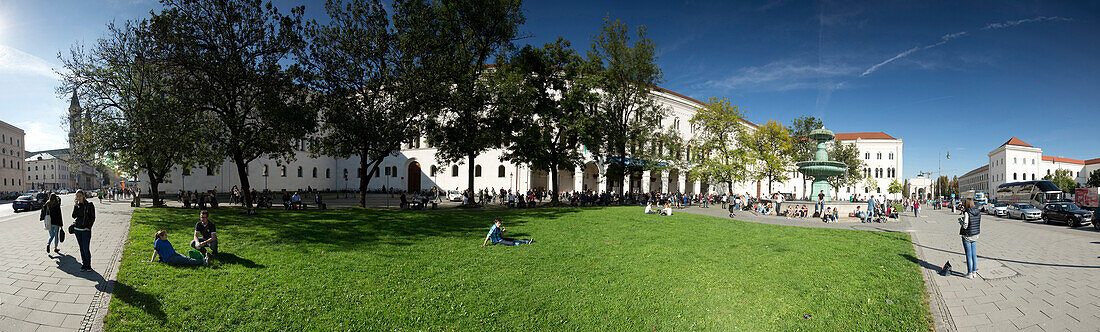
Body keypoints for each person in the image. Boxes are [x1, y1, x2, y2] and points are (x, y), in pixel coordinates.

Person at [71, 190, 96, 272]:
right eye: (77, 196)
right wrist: (75, 206)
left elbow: (92, 217)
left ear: (83, 196)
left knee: (86, 248)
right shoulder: (77, 206)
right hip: (77, 230)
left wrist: (89, 227)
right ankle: (84, 264)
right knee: (81, 248)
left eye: (80, 196)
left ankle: (88, 265)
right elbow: (74, 216)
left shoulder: (89, 205)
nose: (78, 198)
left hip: (85, 230)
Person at [959, 198, 981, 279]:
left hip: (967, 236)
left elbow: (965, 225)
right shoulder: (978, 212)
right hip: (975, 235)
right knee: (974, 254)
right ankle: (974, 272)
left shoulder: (967, 213)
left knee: (968, 255)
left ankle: (969, 273)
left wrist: (961, 221)